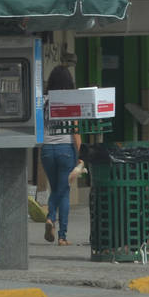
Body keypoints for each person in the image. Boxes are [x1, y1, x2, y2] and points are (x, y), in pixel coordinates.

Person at [41, 63, 82, 246]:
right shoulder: (70, 101)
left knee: (56, 188)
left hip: (47, 150)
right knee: (64, 191)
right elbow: (75, 130)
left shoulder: (43, 101)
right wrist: (81, 154)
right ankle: (61, 235)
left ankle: (52, 221)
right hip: (65, 150)